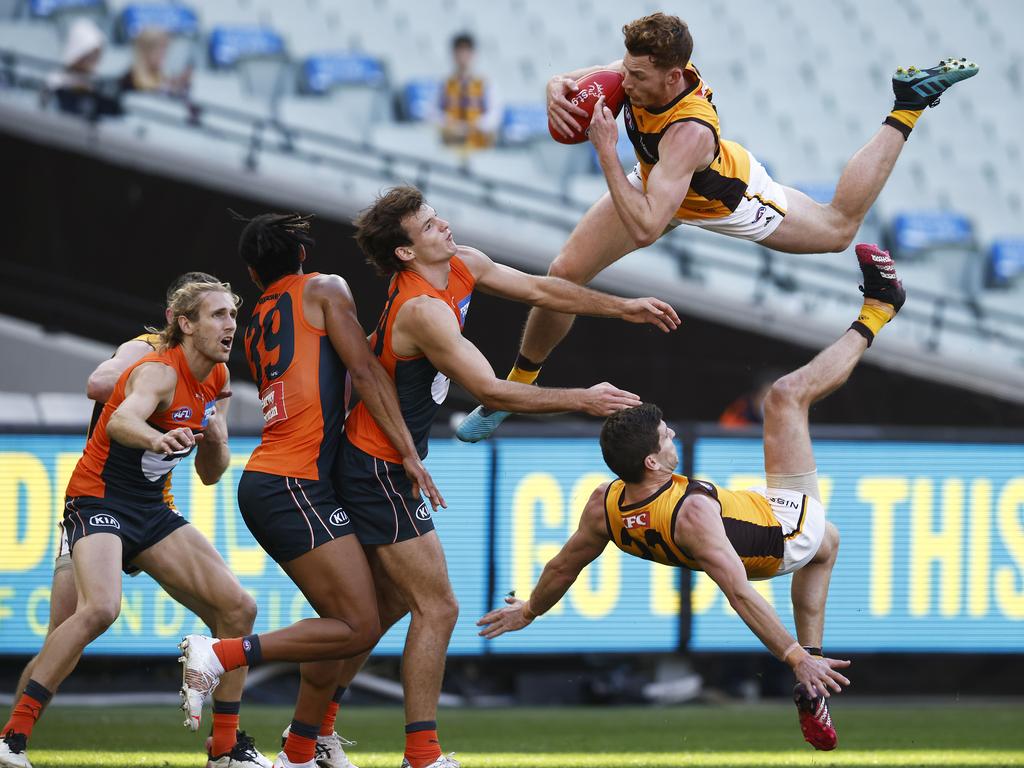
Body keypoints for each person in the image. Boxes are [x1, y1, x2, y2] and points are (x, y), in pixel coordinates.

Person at [271, 184, 679, 768]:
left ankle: (305, 744)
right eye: (430, 226)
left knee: (377, 614)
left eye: (438, 218)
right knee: (437, 607)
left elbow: (542, 289)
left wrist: (624, 307)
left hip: (386, 461)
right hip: (374, 466)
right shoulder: (422, 310)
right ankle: (422, 755)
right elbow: (486, 389)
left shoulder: (462, 263)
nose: (445, 228)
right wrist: (582, 399)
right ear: (407, 254)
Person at [455, 11, 975, 441]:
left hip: (725, 197)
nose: (625, 83)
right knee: (563, 271)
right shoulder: (646, 68)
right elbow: (583, 77)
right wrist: (555, 87)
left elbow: (645, 227)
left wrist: (607, 153)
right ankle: (515, 390)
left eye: (637, 78)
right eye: (627, 71)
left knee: (838, 228)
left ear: (673, 78)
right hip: (658, 181)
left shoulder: (689, 130)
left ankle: (907, 106)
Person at [478, 243, 906, 752]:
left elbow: (562, 567)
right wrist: (794, 656)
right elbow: (742, 594)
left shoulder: (605, 504)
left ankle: (812, 686)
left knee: (829, 543)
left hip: (753, 521)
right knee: (786, 397)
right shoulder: (694, 515)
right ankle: (880, 308)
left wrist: (529, 611)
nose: (673, 433)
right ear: (652, 463)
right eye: (665, 435)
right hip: (784, 532)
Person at [177, 212, 443, 768]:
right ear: (302, 255)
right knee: (356, 624)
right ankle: (222, 654)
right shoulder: (325, 288)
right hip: (292, 482)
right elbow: (364, 372)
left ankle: (303, 748)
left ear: (253, 274)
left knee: (366, 612)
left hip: (289, 479)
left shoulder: (256, 320)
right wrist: (410, 453)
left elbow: (323, 372)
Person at [0, 281, 274, 768]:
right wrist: (155, 438)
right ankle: (12, 740)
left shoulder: (218, 377)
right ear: (185, 323)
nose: (230, 324)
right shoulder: (155, 368)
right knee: (97, 610)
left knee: (239, 609)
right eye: (217, 315)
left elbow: (211, 474)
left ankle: (227, 749)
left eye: (232, 314)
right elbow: (120, 421)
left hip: (149, 510)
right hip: (97, 498)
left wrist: (213, 437)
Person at [43, 17, 122, 120]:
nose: (93, 59)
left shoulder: (100, 85)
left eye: (96, 54)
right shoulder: (55, 81)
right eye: (89, 54)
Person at [439, 32, 498, 150]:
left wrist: (474, 126)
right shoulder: (445, 83)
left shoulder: (485, 83)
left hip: (479, 144)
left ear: (473, 54)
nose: (463, 56)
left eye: (466, 51)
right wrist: (450, 124)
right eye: (459, 51)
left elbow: (494, 114)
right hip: (451, 145)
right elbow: (433, 112)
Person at [118, 27, 192, 97]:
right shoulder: (129, 81)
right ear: (146, 51)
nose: (164, 55)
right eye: (160, 50)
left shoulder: (163, 79)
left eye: (165, 49)